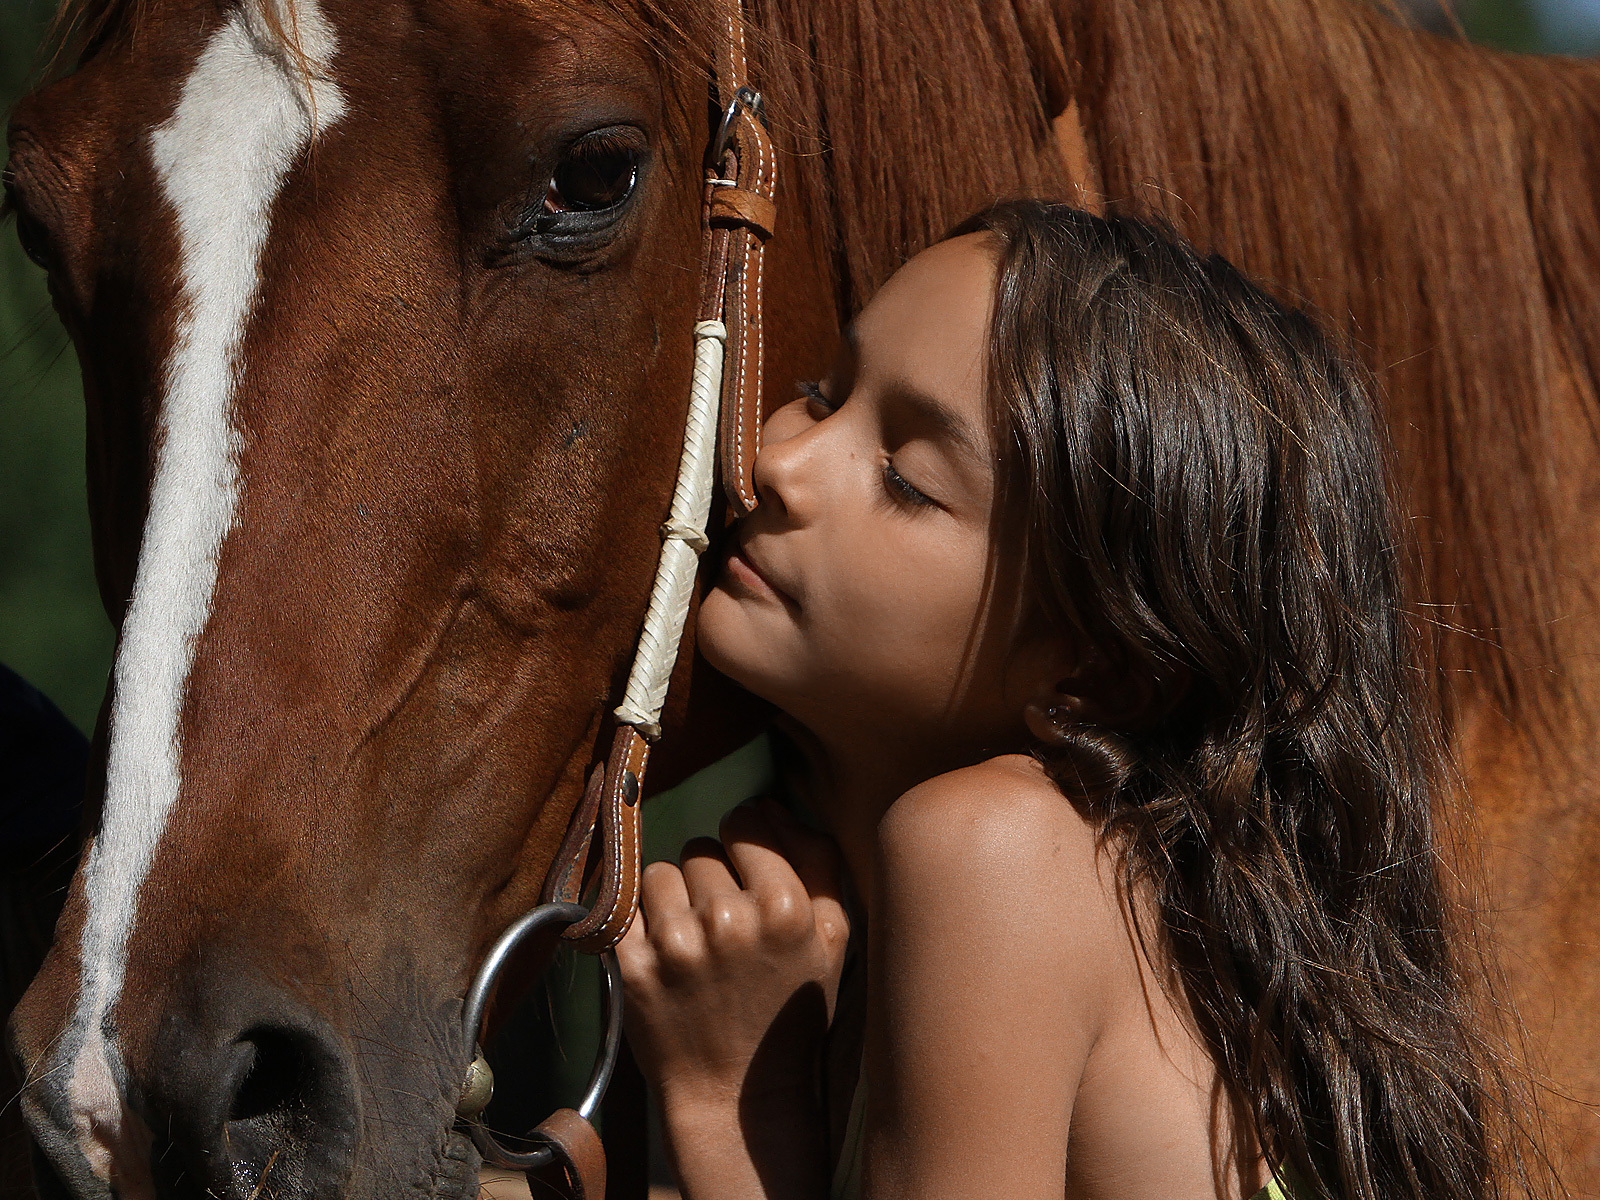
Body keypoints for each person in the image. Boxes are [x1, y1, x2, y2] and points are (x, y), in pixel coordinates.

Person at [615, 201, 1525, 1200]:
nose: (777, 462)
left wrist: (723, 1112)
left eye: (907, 480)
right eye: (819, 393)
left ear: (1095, 674)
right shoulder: (878, 932)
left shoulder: (995, 852)